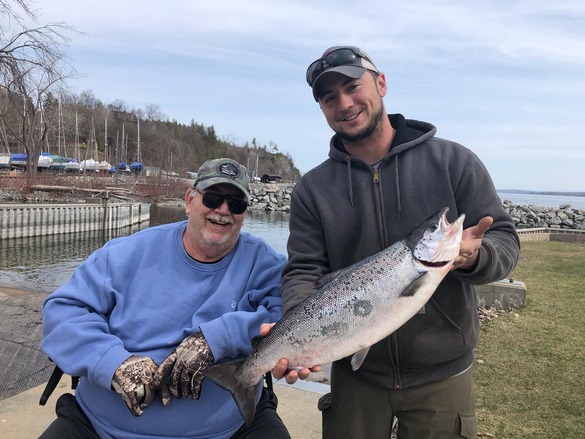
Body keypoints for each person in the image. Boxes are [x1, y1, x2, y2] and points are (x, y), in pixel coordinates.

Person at [270, 46, 521, 439]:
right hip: (356, 374)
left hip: (443, 372)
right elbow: (304, 270)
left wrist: (476, 257)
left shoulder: (454, 162)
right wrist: (300, 335)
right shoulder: (311, 190)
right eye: (329, 97)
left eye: (353, 86)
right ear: (321, 108)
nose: (345, 103)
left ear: (381, 83)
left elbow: (505, 241)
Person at [40, 158, 291, 439]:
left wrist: (221, 337)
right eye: (212, 198)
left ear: (244, 213)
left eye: (236, 204)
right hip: (100, 428)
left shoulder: (265, 263)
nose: (223, 210)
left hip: (232, 430)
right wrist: (113, 363)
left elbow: (290, 314)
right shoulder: (124, 254)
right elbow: (63, 311)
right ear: (189, 200)